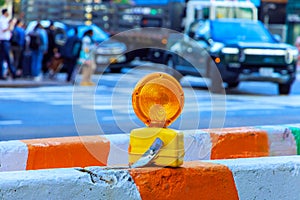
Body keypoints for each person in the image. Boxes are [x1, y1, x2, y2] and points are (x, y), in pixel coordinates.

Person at [0, 8, 17, 80]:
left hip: (5, 41)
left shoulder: (5, 20)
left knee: (3, 58)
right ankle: (12, 72)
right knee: (6, 57)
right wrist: (11, 24)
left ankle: (3, 73)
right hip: (4, 41)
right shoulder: (2, 20)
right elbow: (5, 29)